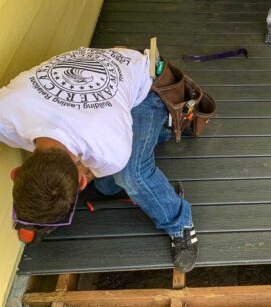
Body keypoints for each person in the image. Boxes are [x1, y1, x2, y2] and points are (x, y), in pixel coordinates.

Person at [0, 46, 198, 272]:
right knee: (106, 185)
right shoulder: (5, 110)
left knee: (131, 176)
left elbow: (110, 166)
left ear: (83, 180)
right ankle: (155, 132)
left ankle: (179, 222)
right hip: (100, 67)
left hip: (147, 85)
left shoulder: (110, 148)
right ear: (16, 173)